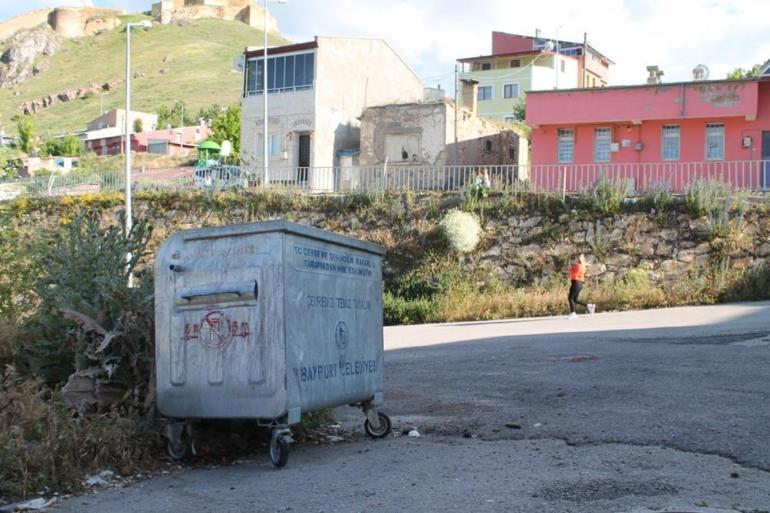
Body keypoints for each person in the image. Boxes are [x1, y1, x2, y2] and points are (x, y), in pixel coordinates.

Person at [567, 254, 594, 319]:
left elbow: (570, 270)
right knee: (575, 299)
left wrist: (570, 267)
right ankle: (589, 306)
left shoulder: (578, 266)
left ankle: (573, 314)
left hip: (576, 283)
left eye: (577, 258)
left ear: (580, 260)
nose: (576, 259)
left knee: (570, 298)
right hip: (579, 284)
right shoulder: (582, 266)